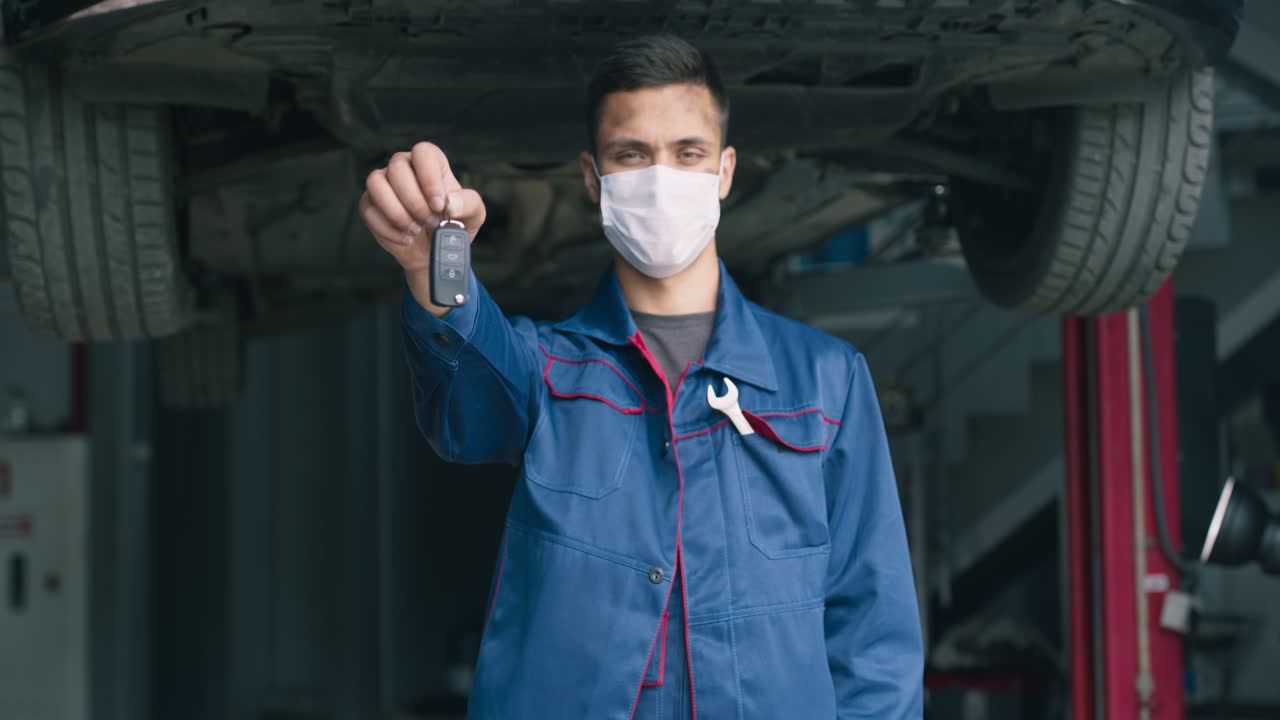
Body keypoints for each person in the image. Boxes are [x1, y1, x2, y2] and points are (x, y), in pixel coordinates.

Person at [360, 34, 922, 720]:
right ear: (594, 178)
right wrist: (433, 272)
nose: (662, 178)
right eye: (633, 155)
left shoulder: (826, 383)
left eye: (688, 153)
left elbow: (874, 634)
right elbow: (466, 411)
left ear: (724, 171)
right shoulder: (547, 368)